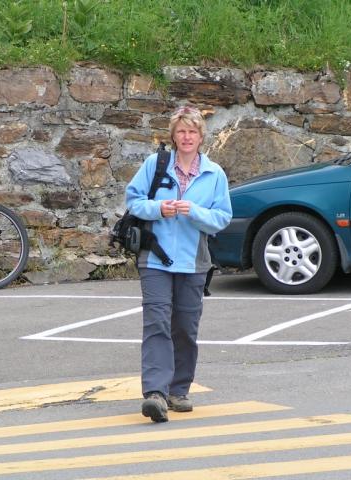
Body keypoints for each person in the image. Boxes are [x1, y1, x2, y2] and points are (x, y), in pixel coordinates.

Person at [126, 105, 232, 422]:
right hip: (154, 259)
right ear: (173, 135)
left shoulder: (214, 174)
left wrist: (193, 212)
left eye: (192, 131)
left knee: (185, 328)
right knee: (157, 323)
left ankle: (179, 390)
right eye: (181, 131)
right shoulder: (155, 164)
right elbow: (133, 201)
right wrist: (160, 208)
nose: (187, 137)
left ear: (201, 136)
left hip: (193, 262)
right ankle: (156, 394)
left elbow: (222, 218)